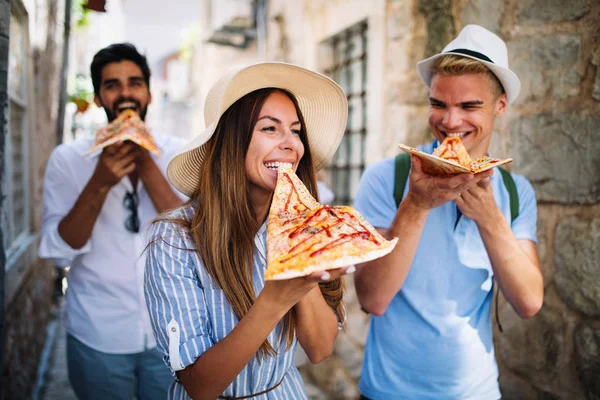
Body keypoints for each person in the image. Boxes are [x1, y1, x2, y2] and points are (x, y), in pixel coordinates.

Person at [353, 25, 544, 399]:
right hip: (388, 391)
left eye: (469, 106)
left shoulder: (514, 192)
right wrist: (416, 205)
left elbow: (528, 302)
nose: (450, 122)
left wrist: (489, 219)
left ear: (500, 105)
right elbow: (372, 299)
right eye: (439, 104)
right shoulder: (386, 179)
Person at [143, 62, 353, 400]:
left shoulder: (308, 225)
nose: (291, 145)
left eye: (296, 131)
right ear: (230, 141)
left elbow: (320, 349)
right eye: (270, 128)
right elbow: (200, 385)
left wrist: (299, 255)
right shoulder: (175, 238)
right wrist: (276, 298)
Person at [39, 43, 185, 400]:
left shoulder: (181, 154)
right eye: (112, 85)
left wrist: (149, 166)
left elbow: (195, 237)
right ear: (100, 97)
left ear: (148, 92)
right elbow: (60, 253)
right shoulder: (68, 159)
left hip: (175, 331)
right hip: (97, 333)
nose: (125, 94)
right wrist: (100, 182)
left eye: (134, 83)